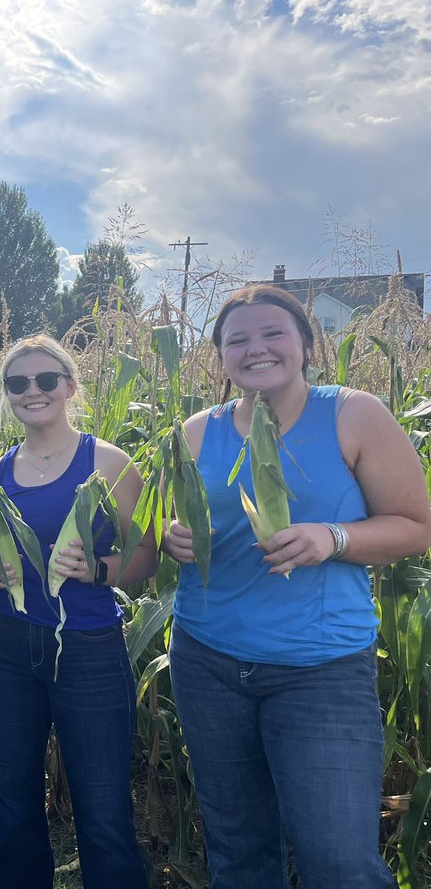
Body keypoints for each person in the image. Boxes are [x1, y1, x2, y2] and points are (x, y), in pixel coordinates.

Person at [164, 284, 431, 888]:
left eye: (272, 333)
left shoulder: (352, 414)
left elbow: (416, 528)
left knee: (337, 856)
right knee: (238, 848)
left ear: (307, 345)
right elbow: (175, 524)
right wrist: (173, 537)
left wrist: (330, 538)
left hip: (320, 668)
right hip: (208, 661)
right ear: (222, 358)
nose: (255, 348)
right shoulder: (198, 431)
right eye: (237, 340)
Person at [0, 335, 154, 888]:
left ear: (70, 387)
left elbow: (146, 557)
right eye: (17, 383)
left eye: (46, 380)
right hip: (6, 646)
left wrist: (98, 570)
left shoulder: (107, 462)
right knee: (10, 800)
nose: (33, 391)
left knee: (102, 807)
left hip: (89, 649)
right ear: (7, 394)